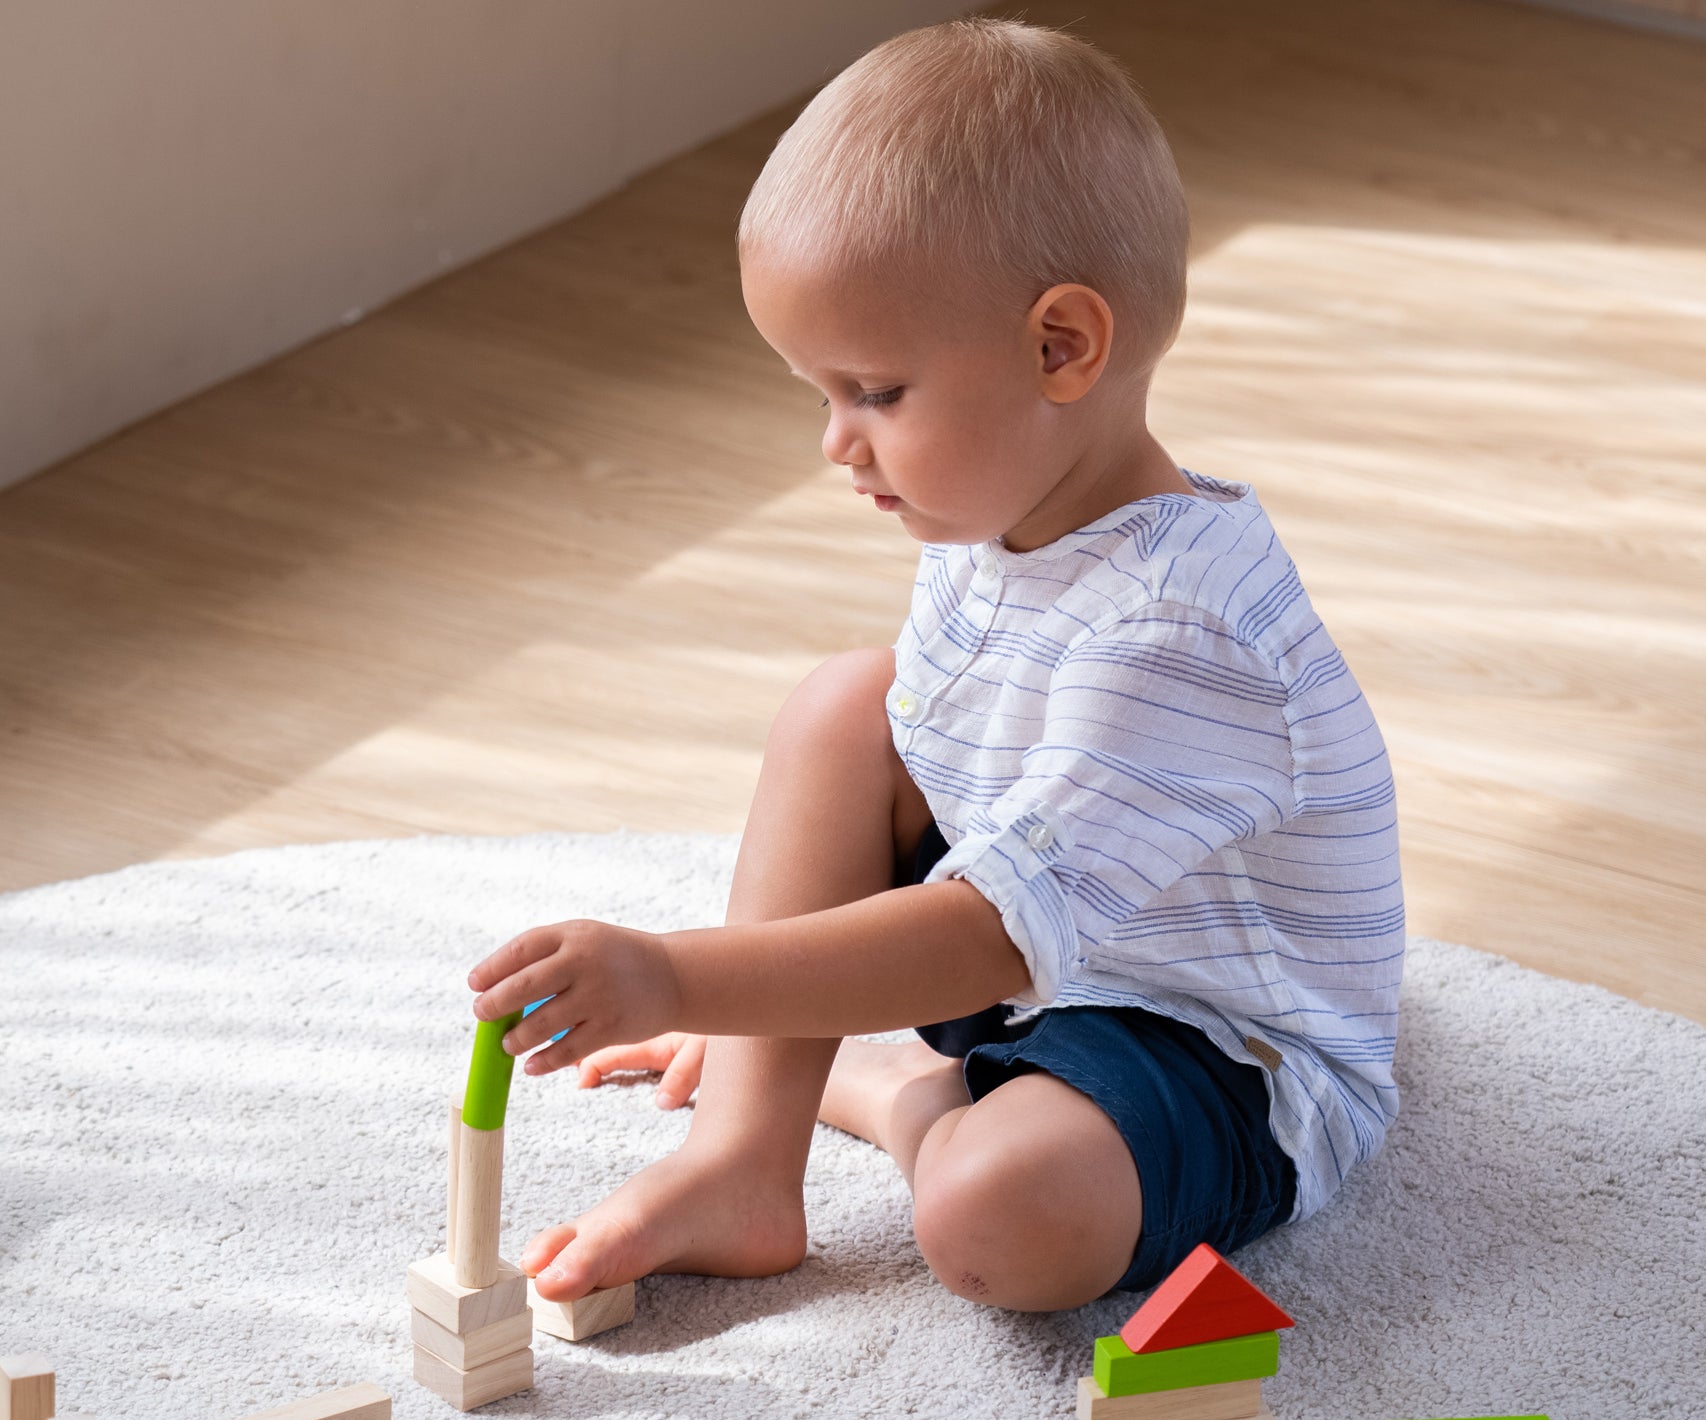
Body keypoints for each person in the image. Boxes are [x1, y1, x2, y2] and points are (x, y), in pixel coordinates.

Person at [468, 18, 1403, 1312]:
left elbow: (984, 941)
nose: (834, 444)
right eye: (820, 393)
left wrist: (683, 976)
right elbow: (961, 810)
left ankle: (883, 1087)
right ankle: (743, 1160)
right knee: (843, 706)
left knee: (992, 1222)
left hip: (1218, 1043)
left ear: (1059, 348)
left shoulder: (1176, 637)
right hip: (1047, 944)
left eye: (874, 393)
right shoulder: (1008, 510)